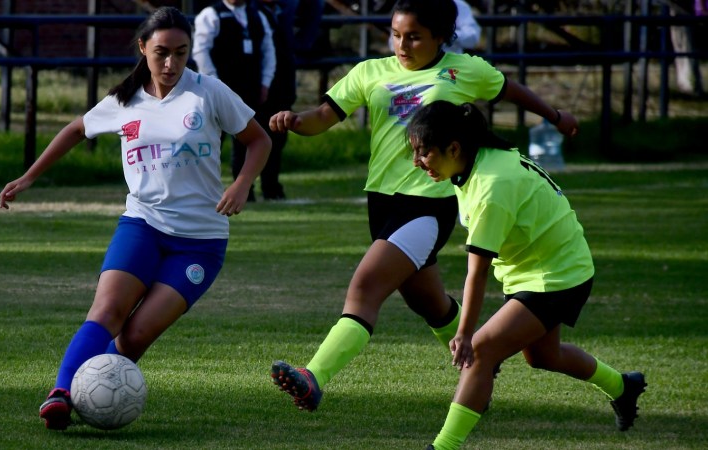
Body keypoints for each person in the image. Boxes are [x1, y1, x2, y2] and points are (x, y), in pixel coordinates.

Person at [268, 0, 579, 413]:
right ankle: (478, 365)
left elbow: (508, 89)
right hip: (381, 203)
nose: (402, 45)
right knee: (428, 303)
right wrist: (295, 121)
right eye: (396, 35)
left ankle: (313, 377)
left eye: (414, 37)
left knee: (365, 288)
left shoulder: (463, 70)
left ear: (440, 37)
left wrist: (555, 115)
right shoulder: (370, 71)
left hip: (428, 205)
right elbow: (324, 115)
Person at [0, 6, 271, 431]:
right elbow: (76, 129)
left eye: (181, 52)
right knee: (108, 309)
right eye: (162, 52)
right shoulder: (124, 100)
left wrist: (241, 184)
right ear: (143, 48)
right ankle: (62, 393)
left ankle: (96, 396)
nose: (171, 63)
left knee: (137, 334)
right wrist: (30, 176)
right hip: (142, 225)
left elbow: (259, 140)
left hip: (200, 242)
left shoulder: (208, 92)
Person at [406, 101, 646, 449]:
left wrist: (465, 333)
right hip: (537, 268)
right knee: (544, 356)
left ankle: (442, 447)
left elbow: (477, 273)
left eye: (423, 152)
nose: (417, 161)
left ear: (454, 148)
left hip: (557, 274)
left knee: (481, 351)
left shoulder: (491, 186)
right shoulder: (477, 161)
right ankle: (624, 386)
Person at [193, 0, 276, 201]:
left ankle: (245, 190)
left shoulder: (258, 16)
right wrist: (213, 84)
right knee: (211, 140)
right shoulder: (210, 14)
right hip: (218, 90)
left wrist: (265, 82)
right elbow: (200, 51)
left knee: (247, 140)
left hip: (249, 90)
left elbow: (268, 51)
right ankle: (201, 190)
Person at [257, 0, 298, 200]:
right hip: (259, 88)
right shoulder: (252, 13)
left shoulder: (284, 10)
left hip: (282, 87)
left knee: (277, 138)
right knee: (250, 140)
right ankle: (245, 189)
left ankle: (271, 185)